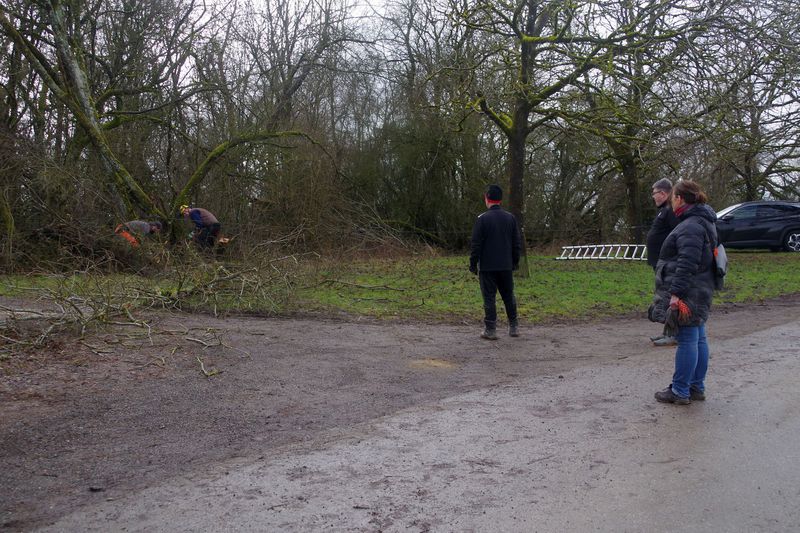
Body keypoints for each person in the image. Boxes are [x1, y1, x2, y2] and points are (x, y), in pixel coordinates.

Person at [648, 180, 717, 405]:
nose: (672, 202)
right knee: (698, 338)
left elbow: (687, 262)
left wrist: (676, 294)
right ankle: (696, 387)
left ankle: (680, 390)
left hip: (690, 291)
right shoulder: (703, 221)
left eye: (673, 197)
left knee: (687, 339)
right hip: (701, 288)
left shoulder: (690, 226)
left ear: (679, 198)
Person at [469, 184, 522, 340]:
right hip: (506, 265)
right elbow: (516, 244)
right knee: (508, 296)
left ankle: (490, 329)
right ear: (500, 199)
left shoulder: (482, 219)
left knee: (489, 298)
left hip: (487, 266)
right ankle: (514, 326)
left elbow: (475, 245)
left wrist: (473, 264)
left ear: (487, 198)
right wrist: (514, 262)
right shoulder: (510, 218)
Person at [646, 178, 680, 347]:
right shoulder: (664, 211)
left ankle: (674, 333)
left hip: (668, 263)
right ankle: (668, 330)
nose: (653, 197)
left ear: (663, 193)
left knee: (670, 296)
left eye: (655, 193)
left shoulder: (671, 211)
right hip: (661, 263)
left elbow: (677, 234)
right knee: (664, 295)